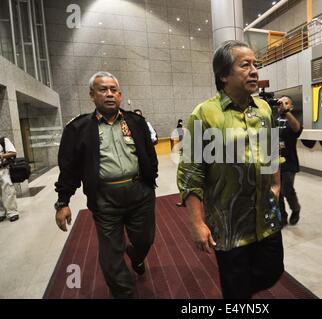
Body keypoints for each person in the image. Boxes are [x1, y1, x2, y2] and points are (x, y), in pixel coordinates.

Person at [177, 40, 284, 299]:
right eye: (245, 65)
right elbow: (192, 173)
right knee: (236, 291)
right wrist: (197, 223)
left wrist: (276, 187)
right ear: (223, 75)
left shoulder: (264, 109)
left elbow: (271, 154)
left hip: (265, 217)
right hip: (229, 225)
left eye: (255, 64)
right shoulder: (204, 114)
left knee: (273, 271)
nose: (254, 70)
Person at [54, 71, 158, 299]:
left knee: (145, 240)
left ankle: (137, 256)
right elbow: (68, 168)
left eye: (114, 90)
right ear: (92, 95)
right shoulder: (78, 128)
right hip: (105, 200)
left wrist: (151, 179)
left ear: (120, 95)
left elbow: (150, 154)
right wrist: (63, 201)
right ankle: (125, 294)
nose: (109, 94)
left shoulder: (136, 122)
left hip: (140, 194)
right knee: (111, 258)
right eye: (103, 90)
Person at [275, 95, 302, 226]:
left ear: (291, 106)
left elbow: (297, 128)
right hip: (273, 161)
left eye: (286, 103)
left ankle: (295, 209)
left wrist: (286, 112)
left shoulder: (292, 120)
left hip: (289, 162)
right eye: (281, 103)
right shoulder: (273, 119)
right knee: (276, 191)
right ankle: (282, 216)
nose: (283, 105)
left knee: (287, 189)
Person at [0, 137, 19, 222]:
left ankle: (12, 212)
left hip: (3, 169)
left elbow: (13, 152)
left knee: (8, 190)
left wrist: (1, 155)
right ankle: (1, 212)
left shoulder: (3, 140)